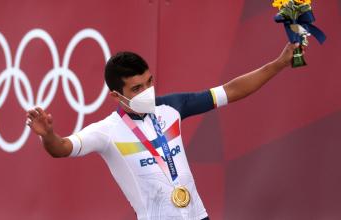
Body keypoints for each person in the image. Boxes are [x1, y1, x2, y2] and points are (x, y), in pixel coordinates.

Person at [26, 43, 301, 220]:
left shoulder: (172, 107)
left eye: (149, 82)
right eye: (136, 89)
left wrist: (278, 64)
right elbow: (62, 148)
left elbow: (231, 90)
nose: (147, 92)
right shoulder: (107, 132)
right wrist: (47, 135)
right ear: (115, 95)